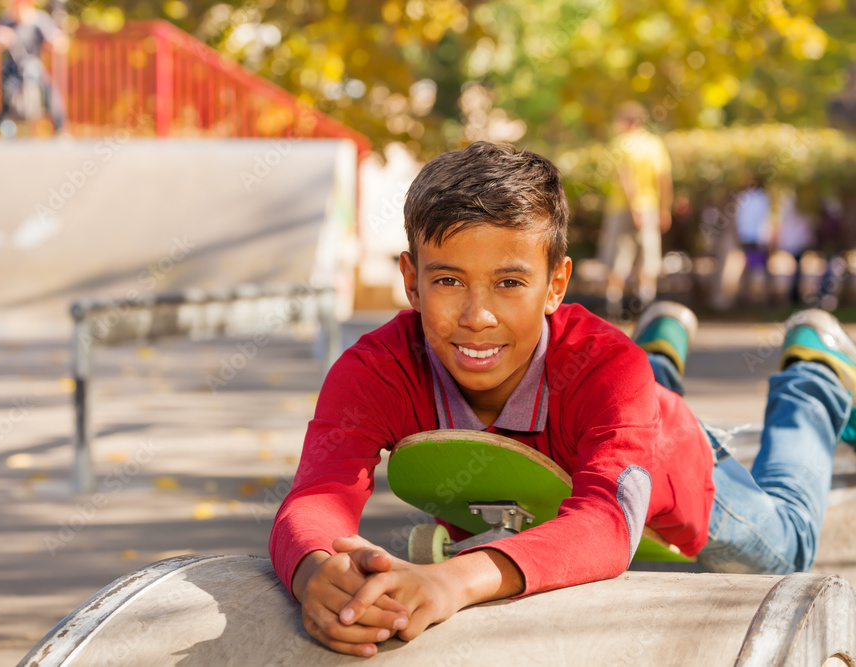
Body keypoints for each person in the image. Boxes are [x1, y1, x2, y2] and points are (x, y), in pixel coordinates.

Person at [269, 141, 855, 657]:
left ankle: (814, 378)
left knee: (788, 546)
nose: (477, 317)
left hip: (673, 467)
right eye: (447, 281)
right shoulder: (376, 369)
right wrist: (315, 571)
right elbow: (317, 497)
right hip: (607, 417)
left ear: (556, 284)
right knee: (621, 388)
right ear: (411, 280)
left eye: (510, 282)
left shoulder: (607, 370)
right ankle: (661, 350)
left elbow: (605, 522)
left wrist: (451, 579)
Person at [598, 101, 673, 318]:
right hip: (650, 208)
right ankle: (645, 306)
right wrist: (664, 208)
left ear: (627, 121)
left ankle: (612, 309)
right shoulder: (654, 144)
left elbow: (625, 177)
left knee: (617, 259)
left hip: (623, 208)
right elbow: (663, 179)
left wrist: (634, 206)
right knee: (648, 259)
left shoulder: (622, 143)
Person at [0, 0, 67, 137]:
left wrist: (56, 41)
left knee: (50, 92)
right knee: (6, 102)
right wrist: (0, 38)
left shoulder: (39, 20)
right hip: (11, 71)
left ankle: (60, 131)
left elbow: (59, 41)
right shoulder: (6, 21)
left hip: (33, 68)